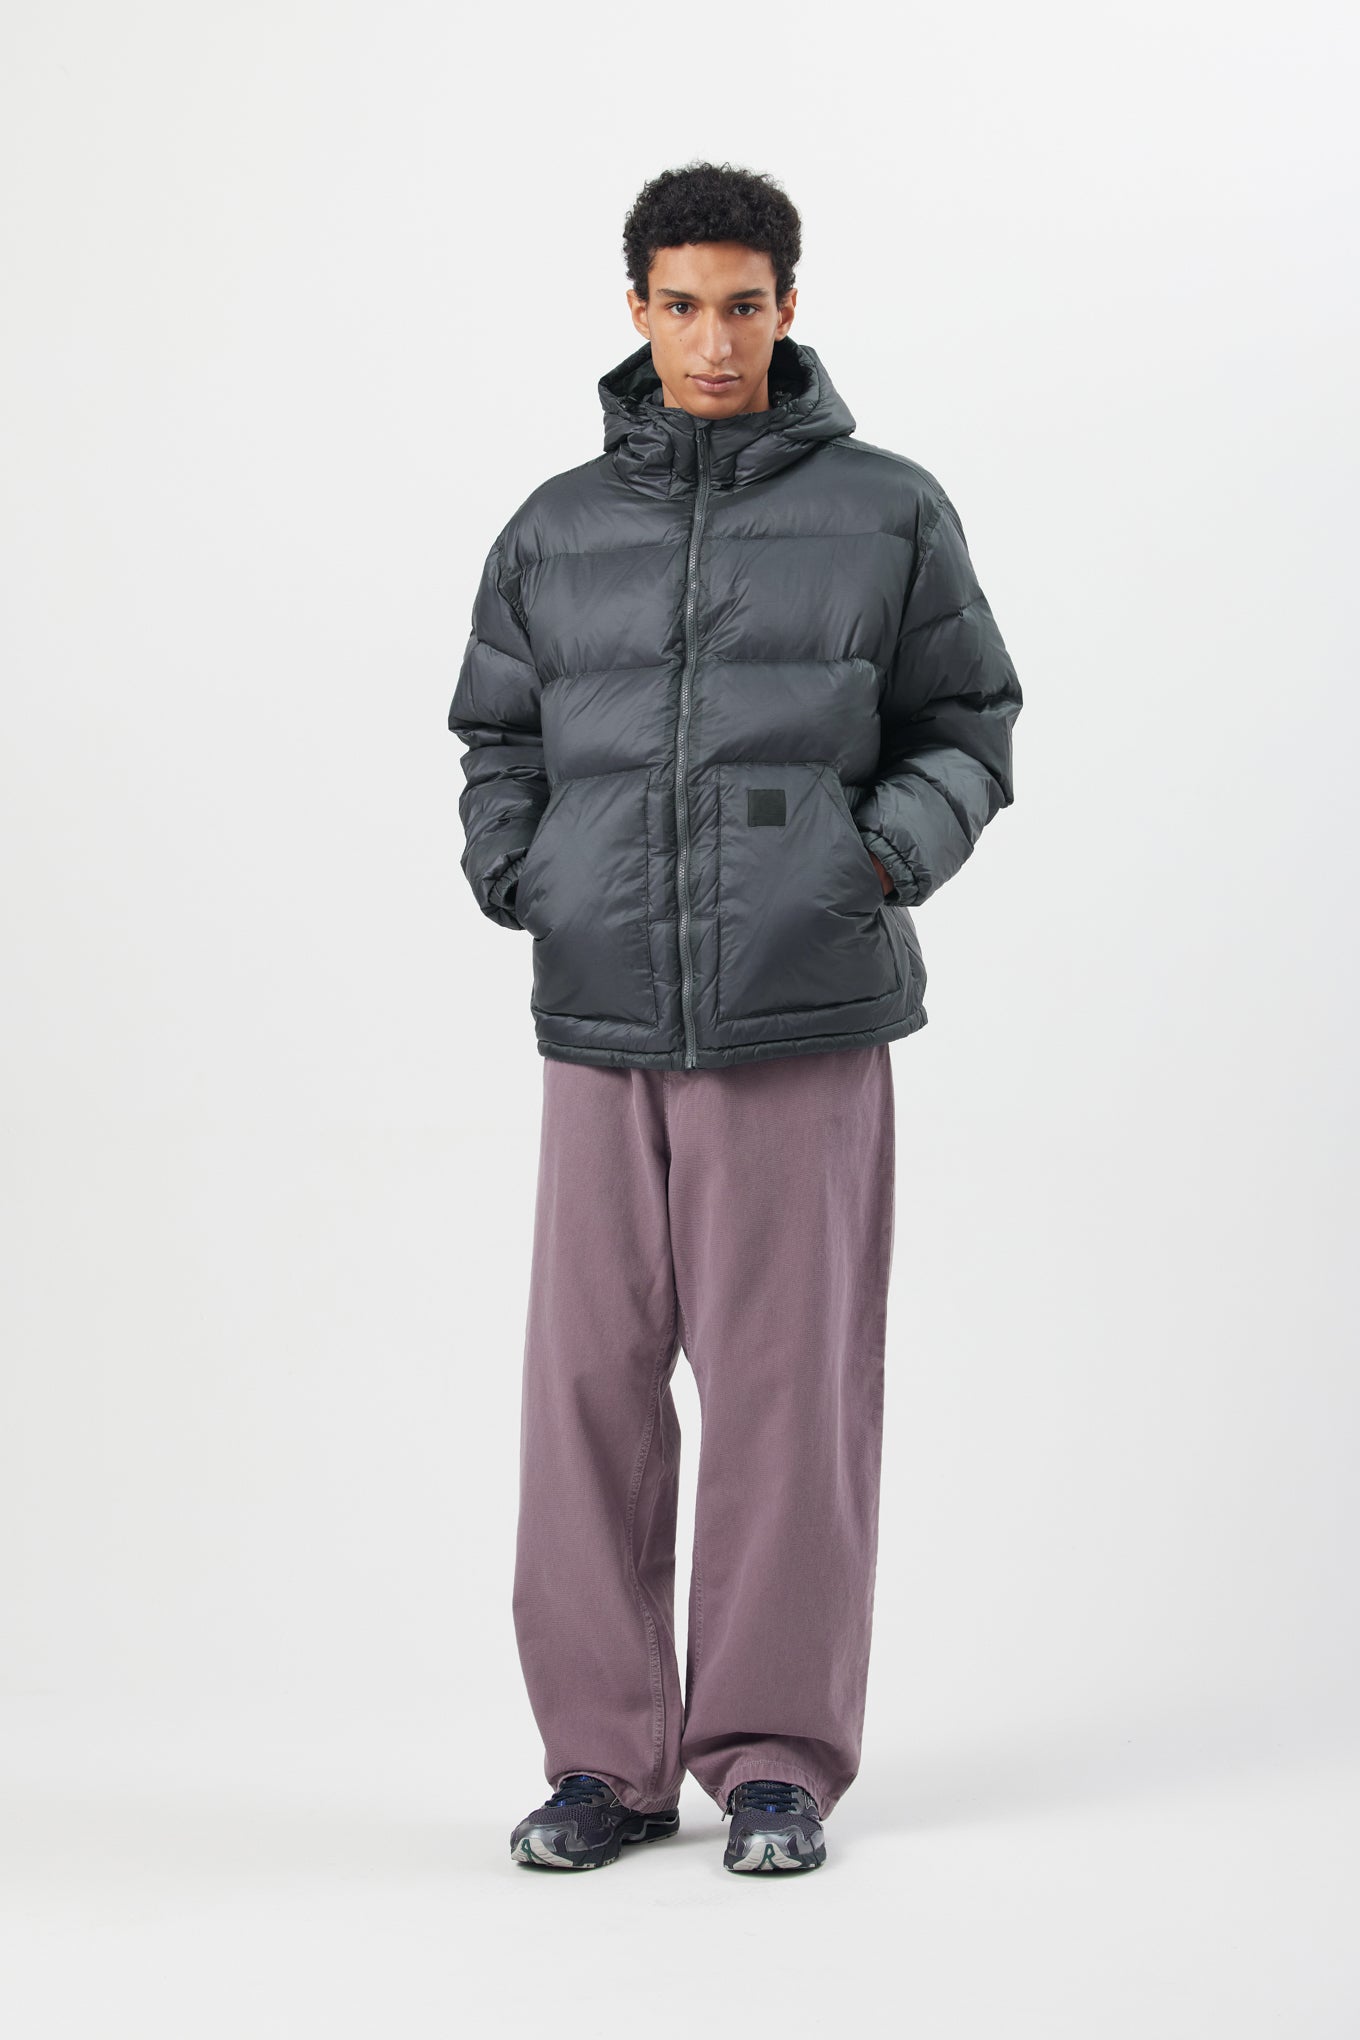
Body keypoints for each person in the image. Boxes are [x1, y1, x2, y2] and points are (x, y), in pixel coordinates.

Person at [448, 160, 1023, 1876]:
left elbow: (968, 725)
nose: (715, 340)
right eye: (684, 306)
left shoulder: (888, 510)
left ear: (789, 306)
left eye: (746, 306)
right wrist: (525, 872)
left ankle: (774, 1760)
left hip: (803, 1012)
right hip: (602, 1014)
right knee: (587, 1392)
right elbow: (500, 735)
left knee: (788, 1392)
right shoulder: (555, 527)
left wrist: (872, 861)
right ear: (637, 309)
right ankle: (603, 1763)